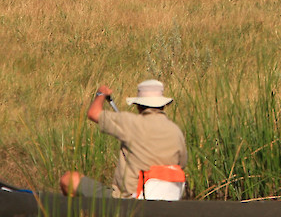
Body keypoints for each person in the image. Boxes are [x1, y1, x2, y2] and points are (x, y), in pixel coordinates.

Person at [59, 79, 188, 200]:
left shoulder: (130, 122)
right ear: (163, 105)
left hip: (128, 201)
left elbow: (93, 113)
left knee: (69, 179)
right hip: (169, 200)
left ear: (138, 105)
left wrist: (101, 94)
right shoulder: (176, 131)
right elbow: (181, 164)